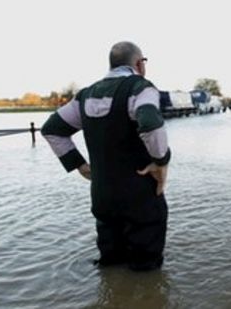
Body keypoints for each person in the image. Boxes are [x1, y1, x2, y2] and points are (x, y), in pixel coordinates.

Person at [42, 41, 171, 271]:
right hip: (140, 197)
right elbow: (150, 122)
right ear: (140, 64)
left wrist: (79, 164)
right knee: (146, 271)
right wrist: (161, 162)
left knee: (110, 264)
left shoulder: (85, 95)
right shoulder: (140, 88)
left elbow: (52, 129)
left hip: (103, 198)